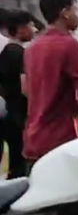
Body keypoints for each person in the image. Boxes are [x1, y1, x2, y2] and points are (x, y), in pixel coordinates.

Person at [22, 0, 78, 170]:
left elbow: (30, 89)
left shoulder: (32, 47)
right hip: (60, 140)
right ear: (65, 13)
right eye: (76, 10)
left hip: (34, 139)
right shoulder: (68, 44)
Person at [0, 10, 37, 178]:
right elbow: (26, 88)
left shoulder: (6, 52)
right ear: (20, 29)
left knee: (13, 163)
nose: (35, 29)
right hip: (21, 117)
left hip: (9, 113)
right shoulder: (20, 54)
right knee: (22, 165)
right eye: (31, 25)